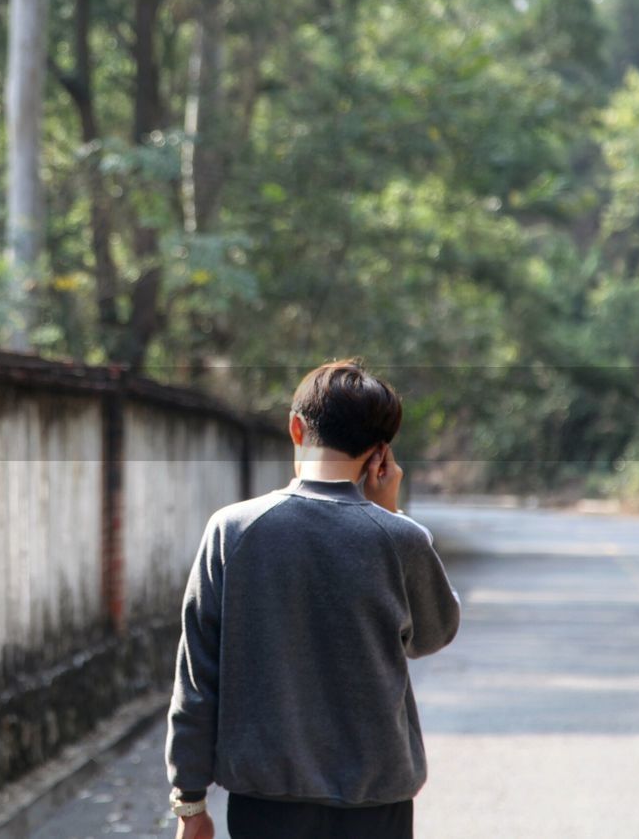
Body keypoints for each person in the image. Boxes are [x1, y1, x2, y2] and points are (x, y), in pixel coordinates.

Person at [163, 359, 461, 839]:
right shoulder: (401, 538)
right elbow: (432, 635)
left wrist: (190, 800)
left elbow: (198, 679)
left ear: (296, 428)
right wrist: (388, 515)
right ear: (381, 453)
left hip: (266, 804)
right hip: (377, 803)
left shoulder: (233, 530)